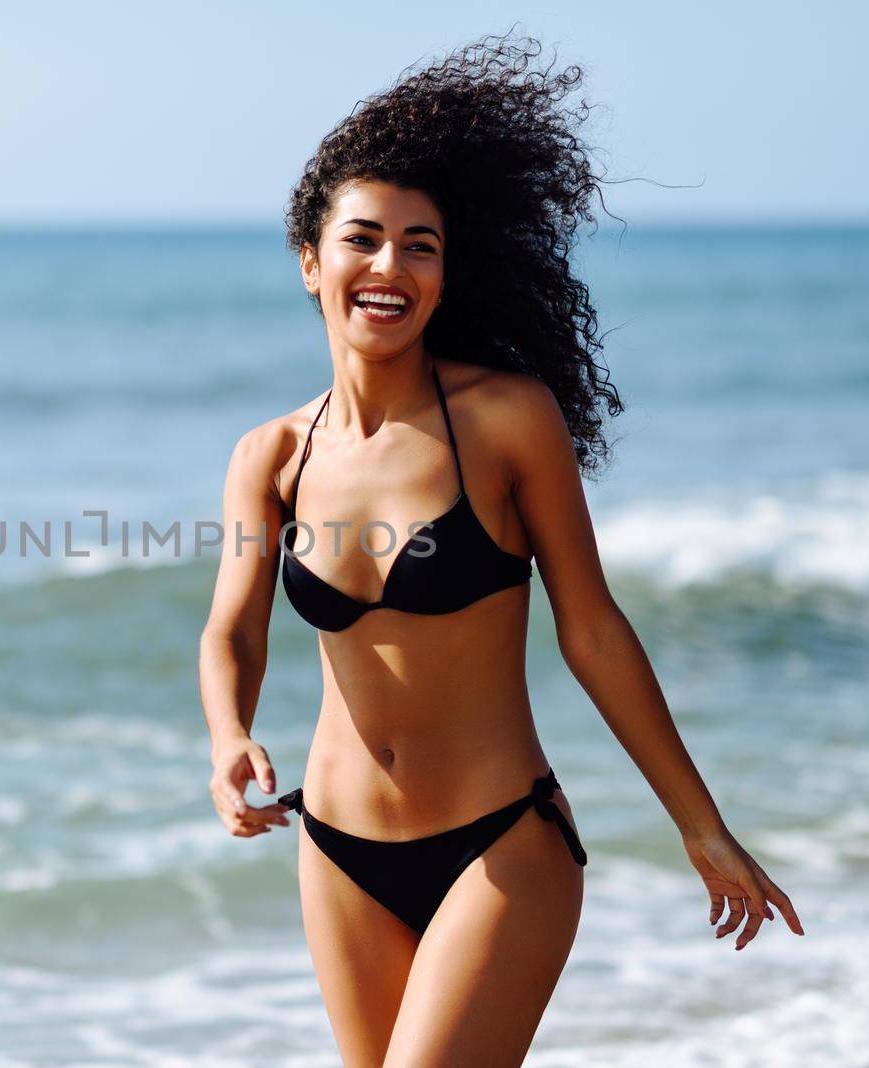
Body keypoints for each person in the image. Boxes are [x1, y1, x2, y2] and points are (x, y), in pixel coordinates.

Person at [197, 33, 804, 1067]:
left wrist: (699, 826)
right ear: (310, 263)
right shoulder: (273, 457)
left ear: (444, 273)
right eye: (363, 239)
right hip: (336, 850)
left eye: (420, 245)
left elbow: (594, 631)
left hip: (498, 839)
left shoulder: (506, 421)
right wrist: (226, 738)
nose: (390, 266)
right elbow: (231, 627)